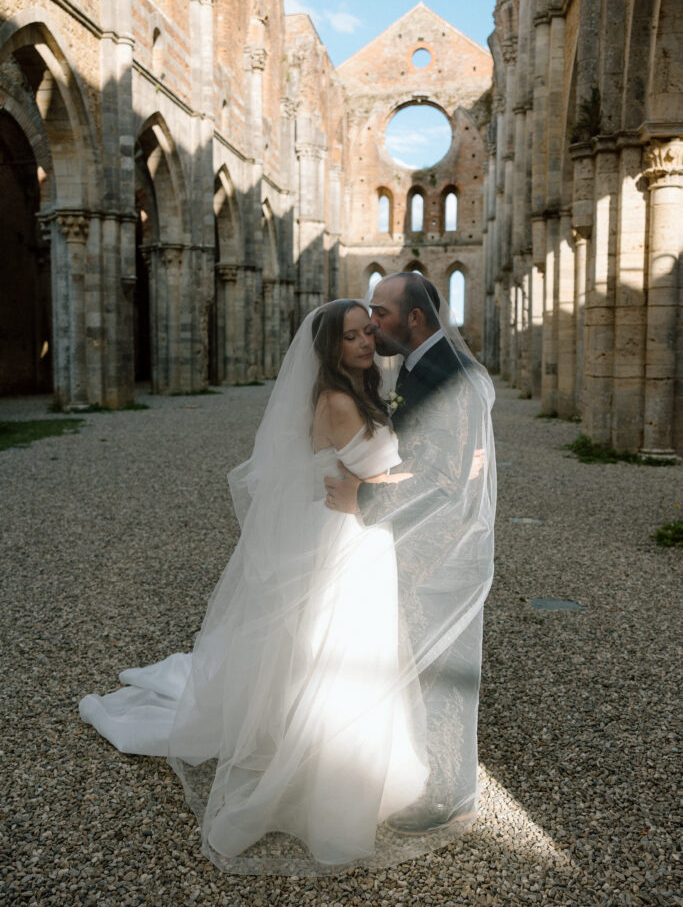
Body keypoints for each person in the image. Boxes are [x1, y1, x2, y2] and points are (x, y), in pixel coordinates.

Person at [79, 299, 435, 876]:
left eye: (369, 332)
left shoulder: (351, 391)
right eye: (352, 337)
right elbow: (378, 481)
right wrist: (443, 472)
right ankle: (321, 784)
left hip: (353, 533)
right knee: (340, 654)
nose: (367, 342)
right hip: (350, 538)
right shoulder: (340, 402)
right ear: (330, 348)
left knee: (336, 652)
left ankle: (342, 763)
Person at [324, 272, 495, 835]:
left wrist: (362, 494)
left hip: (443, 556)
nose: (372, 324)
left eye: (381, 312)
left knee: (444, 679)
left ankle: (450, 795)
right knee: (425, 674)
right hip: (421, 549)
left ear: (414, 319)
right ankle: (439, 779)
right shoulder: (420, 367)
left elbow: (445, 481)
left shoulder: (453, 376)